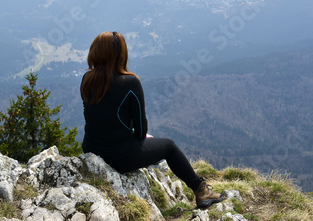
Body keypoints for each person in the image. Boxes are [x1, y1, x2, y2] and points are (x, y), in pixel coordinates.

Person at [80, 31, 224, 208]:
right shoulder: (130, 83)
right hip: (120, 157)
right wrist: (139, 137)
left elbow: (100, 118)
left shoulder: (87, 79)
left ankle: (201, 190)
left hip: (91, 151)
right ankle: (201, 191)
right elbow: (141, 129)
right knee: (169, 146)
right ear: (120, 54)